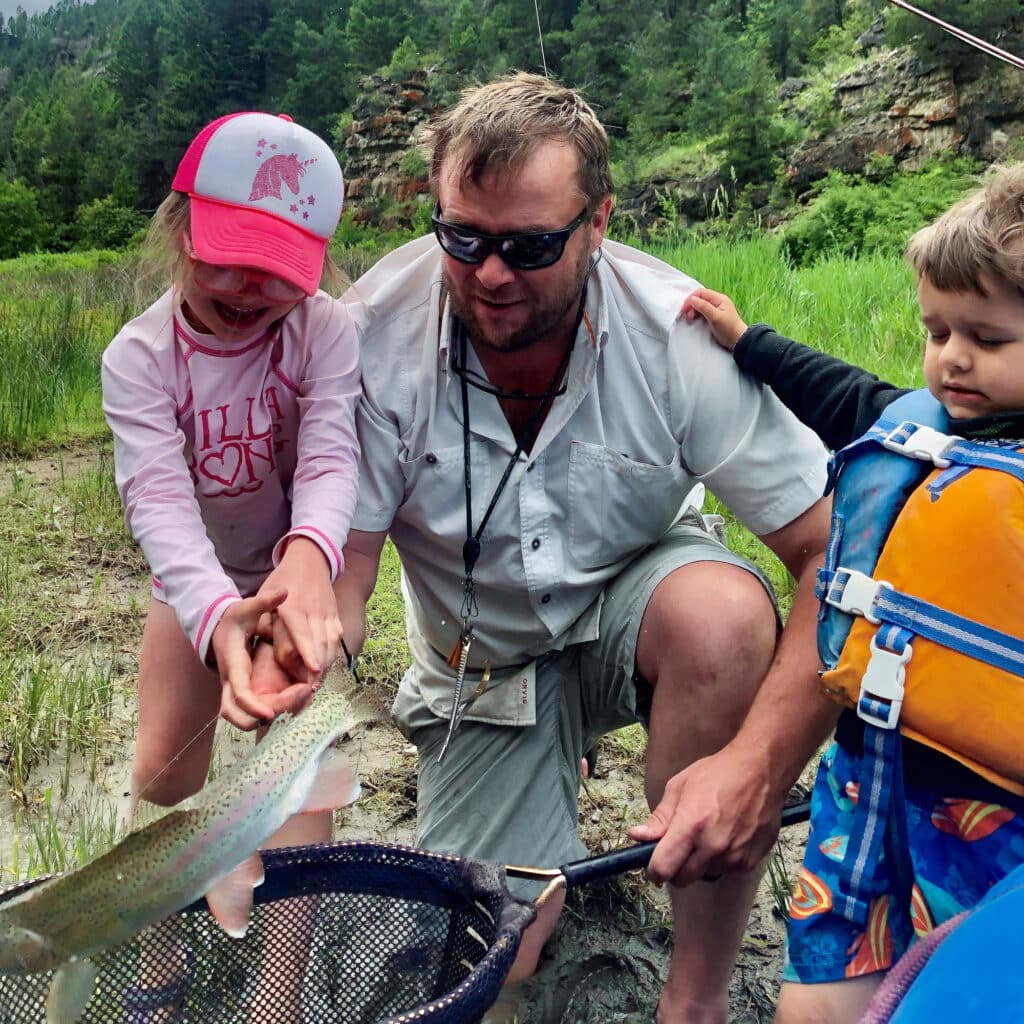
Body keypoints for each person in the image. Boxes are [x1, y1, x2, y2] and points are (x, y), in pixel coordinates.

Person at [321, 72, 834, 1024]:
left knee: (722, 621)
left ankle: (697, 998)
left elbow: (828, 552)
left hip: (638, 606)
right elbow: (345, 571)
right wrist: (309, 648)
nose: (490, 273)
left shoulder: (675, 336)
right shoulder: (369, 341)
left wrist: (756, 767)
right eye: (462, 238)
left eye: (530, 245)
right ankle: (533, 790)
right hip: (480, 662)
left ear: (598, 221)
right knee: (493, 956)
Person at [681, 163, 1024, 1023]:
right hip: (865, 782)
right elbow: (832, 387)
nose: (953, 357)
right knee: (816, 1002)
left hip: (994, 812)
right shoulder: (915, 426)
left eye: (986, 337)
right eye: (937, 330)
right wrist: (745, 338)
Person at [102, 110, 361, 845]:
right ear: (182, 229)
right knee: (163, 772)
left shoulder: (325, 329)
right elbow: (157, 501)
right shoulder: (139, 358)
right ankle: (155, 960)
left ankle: (282, 964)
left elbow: (331, 454)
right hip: (193, 581)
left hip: (299, 580)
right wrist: (215, 615)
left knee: (298, 776)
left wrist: (308, 561)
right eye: (230, 254)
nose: (250, 287)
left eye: (279, 268)